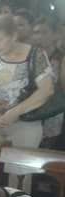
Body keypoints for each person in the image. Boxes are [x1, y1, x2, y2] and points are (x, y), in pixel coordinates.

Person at [0, 15, 53, 189]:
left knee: (20, 178)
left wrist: (15, 112)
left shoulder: (35, 55)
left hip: (25, 124)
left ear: (14, 36)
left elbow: (46, 90)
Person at [32, 16, 65, 149]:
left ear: (55, 35)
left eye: (44, 32)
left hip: (52, 114)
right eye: (36, 32)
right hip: (31, 111)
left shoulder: (61, 58)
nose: (39, 36)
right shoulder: (31, 56)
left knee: (45, 151)